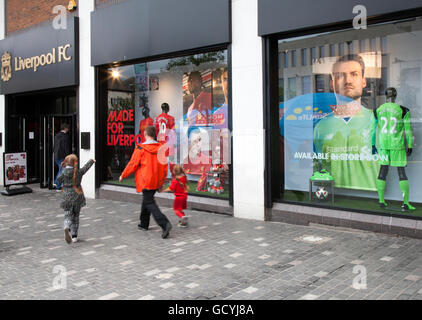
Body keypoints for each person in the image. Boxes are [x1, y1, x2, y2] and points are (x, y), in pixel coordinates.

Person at [313, 54, 379, 191]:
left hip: (370, 197)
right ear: (332, 84)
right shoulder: (321, 127)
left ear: (363, 81)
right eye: (340, 75)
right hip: (332, 197)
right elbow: (318, 166)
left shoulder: (375, 120)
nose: (347, 80)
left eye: (354, 74)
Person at [119, 126, 172, 239]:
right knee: (147, 200)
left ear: (145, 134)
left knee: (149, 202)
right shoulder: (161, 148)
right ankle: (144, 224)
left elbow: (132, 164)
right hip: (156, 180)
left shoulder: (140, 148)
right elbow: (164, 167)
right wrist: (161, 182)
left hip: (145, 180)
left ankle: (164, 223)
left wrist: (123, 175)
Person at [372, 87, 415, 210]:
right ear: (395, 96)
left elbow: (372, 130)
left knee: (382, 171)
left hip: (384, 146)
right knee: (401, 173)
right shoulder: (403, 110)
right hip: (398, 146)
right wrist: (410, 145)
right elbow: (408, 130)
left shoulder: (377, 110)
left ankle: (381, 201)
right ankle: (405, 203)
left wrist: (372, 145)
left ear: (385, 96)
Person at [57, 154, 95, 244]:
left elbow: (58, 180)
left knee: (68, 215)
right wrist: (92, 161)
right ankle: (74, 236)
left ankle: (66, 226)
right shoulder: (78, 172)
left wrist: (63, 168)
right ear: (75, 163)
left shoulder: (63, 173)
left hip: (66, 197)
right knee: (76, 217)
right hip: (77, 197)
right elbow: (85, 168)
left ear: (65, 163)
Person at [54, 123, 71, 190]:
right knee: (62, 170)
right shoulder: (66, 136)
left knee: (60, 169)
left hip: (56, 156)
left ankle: (57, 183)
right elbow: (66, 148)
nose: (68, 129)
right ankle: (58, 185)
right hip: (62, 156)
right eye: (68, 128)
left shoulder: (57, 135)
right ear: (66, 128)